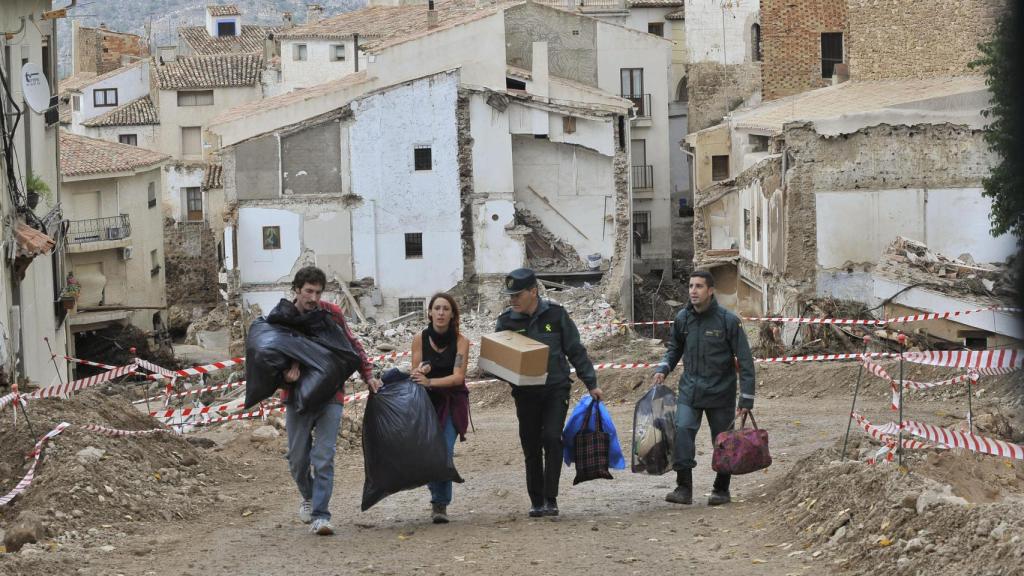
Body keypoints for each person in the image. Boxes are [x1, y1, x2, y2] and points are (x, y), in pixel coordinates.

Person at [494, 268, 603, 518]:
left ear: (533, 291)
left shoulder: (556, 314)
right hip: (525, 394)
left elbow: (575, 350)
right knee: (531, 446)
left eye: (517, 294)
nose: (512, 299)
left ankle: (551, 497)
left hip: (556, 389)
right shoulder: (506, 322)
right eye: (509, 295)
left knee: (552, 438)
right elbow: (498, 362)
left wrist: (591, 383)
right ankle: (536, 500)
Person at [280, 266, 380, 535]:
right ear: (297, 290)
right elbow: (269, 359)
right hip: (296, 396)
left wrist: (368, 374)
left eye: (318, 292)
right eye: (308, 291)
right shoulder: (283, 319)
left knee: (323, 457)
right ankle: (309, 495)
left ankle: (321, 515)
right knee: (297, 459)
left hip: (331, 395)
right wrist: (285, 377)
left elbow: (352, 345)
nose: (313, 298)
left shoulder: (331, 314)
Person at [652, 269, 755, 506]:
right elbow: (674, 348)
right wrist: (663, 368)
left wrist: (746, 400)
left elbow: (746, 362)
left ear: (710, 291)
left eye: (698, 287)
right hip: (690, 390)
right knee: (682, 431)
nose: (693, 291)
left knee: (723, 442)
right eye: (690, 286)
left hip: (721, 393)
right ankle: (683, 488)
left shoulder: (728, 321)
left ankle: (721, 489)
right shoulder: (683, 319)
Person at [409, 293, 471, 524]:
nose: (441, 313)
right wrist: (422, 371)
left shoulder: (461, 341)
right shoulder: (420, 338)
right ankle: (436, 493)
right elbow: (415, 372)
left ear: (453, 314)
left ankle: (440, 503)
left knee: (443, 449)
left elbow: (458, 377)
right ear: (430, 313)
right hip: (426, 402)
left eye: (446, 308)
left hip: (452, 401)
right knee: (428, 451)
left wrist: (431, 382)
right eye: (437, 308)